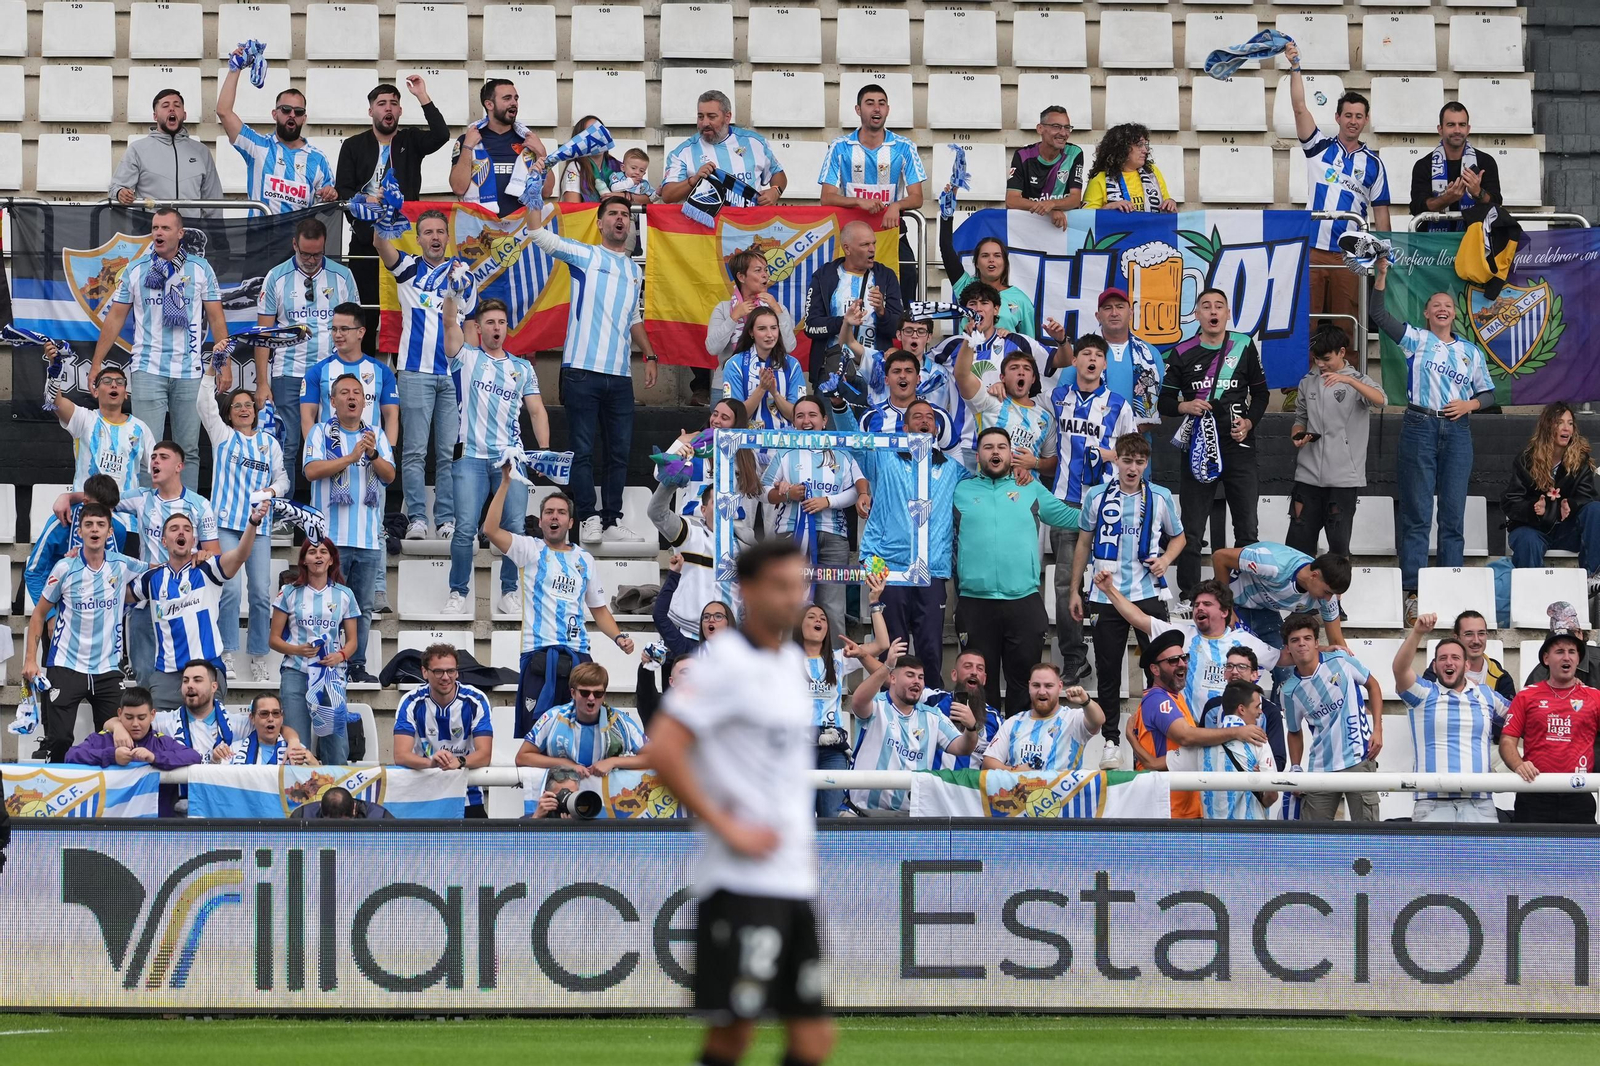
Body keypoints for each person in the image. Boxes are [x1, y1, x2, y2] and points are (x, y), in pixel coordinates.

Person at [646, 539, 835, 1063]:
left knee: (814, 1039)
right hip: (741, 881)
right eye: (780, 585)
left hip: (790, 878)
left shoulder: (791, 664)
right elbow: (664, 750)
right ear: (748, 591)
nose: (793, 596)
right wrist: (727, 828)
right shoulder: (724, 662)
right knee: (734, 1036)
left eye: (799, 584)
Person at [524, 193, 656, 544]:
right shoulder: (585, 254)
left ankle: (612, 519)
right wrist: (534, 197)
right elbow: (538, 234)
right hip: (581, 370)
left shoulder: (633, 270)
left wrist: (650, 354)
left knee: (619, 452)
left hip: (620, 376)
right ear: (599, 223)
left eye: (625, 215)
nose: (620, 219)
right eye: (612, 213)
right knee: (582, 450)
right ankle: (589, 517)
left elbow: (633, 317)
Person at [1370, 256, 1494, 622]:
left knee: (1453, 517)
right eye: (1436, 305)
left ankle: (1450, 591)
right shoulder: (1416, 339)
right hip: (1419, 427)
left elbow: (1487, 394)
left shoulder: (1470, 351)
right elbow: (1378, 314)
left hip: (1457, 432)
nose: (1442, 309)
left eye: (1448, 306)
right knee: (1417, 514)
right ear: (1426, 314)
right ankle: (1413, 592)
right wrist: (1381, 275)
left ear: (1455, 314)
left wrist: (1469, 404)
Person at [484, 471, 635, 737]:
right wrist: (506, 483)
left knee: (581, 732)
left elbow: (599, 609)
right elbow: (491, 530)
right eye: (549, 512)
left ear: (571, 522)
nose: (555, 516)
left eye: (561, 512)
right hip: (539, 655)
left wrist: (619, 637)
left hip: (578, 656)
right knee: (538, 733)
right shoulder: (529, 549)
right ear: (541, 520)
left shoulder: (584, 559)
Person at [88, 208, 227, 492]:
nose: (159, 233)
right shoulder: (136, 269)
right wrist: (96, 363)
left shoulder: (200, 268)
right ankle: (147, 515)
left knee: (188, 449)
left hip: (189, 371)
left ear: (180, 234)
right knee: (145, 449)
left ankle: (184, 516)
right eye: (155, 228)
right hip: (148, 369)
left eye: (165, 228)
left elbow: (216, 318)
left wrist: (225, 365)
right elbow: (115, 318)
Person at [1069, 434, 1184, 765]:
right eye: (1127, 460)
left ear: (1146, 464)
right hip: (1106, 596)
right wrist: (1076, 589)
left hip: (1148, 595)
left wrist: (1165, 560)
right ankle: (1111, 741)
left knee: (1160, 671)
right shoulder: (1097, 496)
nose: (1133, 468)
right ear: (1116, 460)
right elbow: (1083, 543)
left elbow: (1179, 538)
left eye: (1139, 462)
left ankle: (1157, 735)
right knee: (1108, 672)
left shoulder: (1160, 496)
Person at [953, 427, 1078, 714]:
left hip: (1023, 601)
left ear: (1011, 455)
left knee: (1024, 683)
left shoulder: (1030, 488)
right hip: (975, 603)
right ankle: (982, 746)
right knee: (977, 684)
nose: (995, 452)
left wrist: (1105, 510)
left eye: (1001, 447)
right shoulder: (960, 490)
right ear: (978, 454)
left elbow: (1069, 516)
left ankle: (1019, 746)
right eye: (988, 447)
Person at [441, 294, 549, 617]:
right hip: (470, 455)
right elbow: (449, 322)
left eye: (501, 322)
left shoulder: (522, 367)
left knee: (515, 527)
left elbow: (537, 411)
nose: (497, 328)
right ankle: (458, 592)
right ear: (478, 327)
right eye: (490, 322)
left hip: (510, 459)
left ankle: (509, 592)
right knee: (465, 528)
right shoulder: (467, 357)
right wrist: (452, 295)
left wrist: (542, 452)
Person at [851, 399, 971, 687]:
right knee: (893, 645)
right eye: (917, 417)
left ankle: (931, 704)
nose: (924, 421)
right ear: (905, 428)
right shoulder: (884, 459)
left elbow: (986, 484)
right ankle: (890, 703)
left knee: (930, 647)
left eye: (929, 417)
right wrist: (841, 406)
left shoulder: (952, 470)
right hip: (887, 567)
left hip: (931, 569)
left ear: (936, 429)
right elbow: (854, 444)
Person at [1159, 288, 1268, 602]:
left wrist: (1249, 423)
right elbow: (1165, 401)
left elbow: (1261, 395)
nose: (1212, 311)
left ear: (1228, 313)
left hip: (1239, 446)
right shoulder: (1182, 352)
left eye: (1219, 306)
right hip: (1199, 446)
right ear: (1197, 315)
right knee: (1192, 528)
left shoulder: (1244, 345)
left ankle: (1248, 594)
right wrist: (1185, 406)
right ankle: (1189, 596)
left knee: (1247, 527)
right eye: (1205, 306)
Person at [375, 208, 474, 541]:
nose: (434, 237)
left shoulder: (463, 273)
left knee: (450, 452)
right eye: (428, 232)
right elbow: (380, 244)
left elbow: (470, 322)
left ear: (448, 237)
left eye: (439, 232)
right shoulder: (408, 267)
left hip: (453, 374)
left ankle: (445, 518)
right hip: (415, 371)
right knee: (415, 451)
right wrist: (382, 216)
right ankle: (417, 516)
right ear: (418, 239)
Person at [89, 440, 219, 688]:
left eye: (163, 457)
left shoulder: (200, 504)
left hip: (185, 599)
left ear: (179, 465)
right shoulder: (141, 497)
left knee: (187, 676)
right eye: (153, 457)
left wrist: (200, 555)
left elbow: (213, 551)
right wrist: (67, 496)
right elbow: (101, 500)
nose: (155, 461)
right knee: (145, 678)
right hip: (146, 599)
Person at [22, 502, 145, 763]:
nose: (95, 530)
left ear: (109, 532)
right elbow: (39, 614)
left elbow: (159, 569)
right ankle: (55, 795)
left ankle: (107, 798)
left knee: (116, 739)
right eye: (89, 524)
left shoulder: (122, 565)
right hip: (67, 664)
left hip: (107, 667)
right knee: (60, 739)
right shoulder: (64, 569)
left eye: (101, 525)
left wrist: (191, 556)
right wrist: (31, 659)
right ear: (80, 531)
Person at [1045, 335, 1138, 681]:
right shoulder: (1057, 397)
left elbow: (1136, 450)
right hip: (1067, 502)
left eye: (1099, 355)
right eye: (1086, 354)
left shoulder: (1119, 404)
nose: (1092, 360)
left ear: (1104, 364)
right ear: (1076, 361)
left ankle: (1110, 654)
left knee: (1110, 579)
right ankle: (1074, 657)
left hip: (1108, 502)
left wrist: (1113, 455)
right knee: (1065, 581)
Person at [1284, 40, 1391, 338]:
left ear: (1366, 120)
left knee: (1347, 324)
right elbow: (1299, 107)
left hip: (1352, 254)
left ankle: (1348, 384)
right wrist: (1295, 68)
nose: (1353, 121)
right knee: (1308, 321)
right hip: (1314, 248)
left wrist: (1384, 253)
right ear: (1337, 118)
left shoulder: (1375, 164)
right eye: (1348, 115)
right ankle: (1302, 383)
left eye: (1359, 116)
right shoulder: (1318, 147)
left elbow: (1382, 216)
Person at [336, 77, 451, 338]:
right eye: (382, 104)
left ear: (400, 111)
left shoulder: (410, 140)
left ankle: (403, 371)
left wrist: (422, 95)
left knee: (405, 310)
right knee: (364, 312)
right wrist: (363, 203)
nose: (388, 108)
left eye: (394, 104)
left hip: (404, 242)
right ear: (371, 111)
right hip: (365, 242)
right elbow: (343, 190)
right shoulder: (353, 145)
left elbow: (441, 135)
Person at [198, 361, 287, 682]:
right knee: (231, 590)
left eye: (249, 405)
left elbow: (284, 479)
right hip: (225, 525)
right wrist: (211, 371)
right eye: (237, 406)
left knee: (262, 593)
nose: (244, 409)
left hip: (259, 529)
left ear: (256, 409)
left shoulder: (269, 443)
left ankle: (259, 656)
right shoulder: (221, 435)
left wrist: (271, 490)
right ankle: (227, 653)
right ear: (229, 413)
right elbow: (203, 403)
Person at [303, 374, 396, 684]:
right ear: (333, 401)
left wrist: (371, 455)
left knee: (362, 608)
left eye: (357, 392)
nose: (351, 397)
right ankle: (322, 659)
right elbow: (312, 471)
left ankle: (356, 664)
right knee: (325, 604)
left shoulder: (376, 436)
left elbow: (389, 476)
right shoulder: (319, 432)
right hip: (328, 541)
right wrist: (350, 457)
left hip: (368, 539)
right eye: (344, 392)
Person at [131, 502, 267, 709]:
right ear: (164, 541)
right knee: (161, 739)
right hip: (166, 675)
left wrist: (252, 522)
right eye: (174, 529)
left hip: (207, 668)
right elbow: (116, 594)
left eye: (187, 529)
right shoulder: (151, 578)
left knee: (206, 738)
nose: (181, 532)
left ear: (193, 540)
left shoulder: (208, 569)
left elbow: (240, 555)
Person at [1096, 575, 1278, 728]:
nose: (1199, 608)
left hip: (1235, 732)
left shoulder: (1245, 640)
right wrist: (1109, 589)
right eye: (1196, 604)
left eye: (1207, 604)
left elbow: (1285, 659)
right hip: (1191, 732)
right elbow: (1139, 619)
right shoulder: (1181, 635)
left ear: (1224, 611)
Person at [257, 217, 359, 478]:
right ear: (294, 244)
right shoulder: (276, 277)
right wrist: (261, 383)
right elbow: (263, 335)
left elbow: (355, 328)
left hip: (331, 373)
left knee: (332, 444)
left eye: (317, 254)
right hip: (288, 372)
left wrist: (352, 370)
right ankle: (282, 514)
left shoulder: (342, 275)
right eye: (305, 254)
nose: (312, 259)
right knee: (287, 445)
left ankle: (329, 510)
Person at [1130, 629, 1268, 818]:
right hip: (1166, 809)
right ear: (1154, 669)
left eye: (1183, 658)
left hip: (1186, 808)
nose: (1181, 664)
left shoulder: (1176, 698)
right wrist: (1237, 732)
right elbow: (1186, 737)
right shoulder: (1157, 699)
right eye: (1172, 661)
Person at [764, 396, 865, 638]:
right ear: (793, 421)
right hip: (790, 538)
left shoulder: (841, 452)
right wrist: (787, 493)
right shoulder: (785, 452)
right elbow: (763, 491)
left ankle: (835, 671)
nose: (806, 420)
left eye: (812, 415)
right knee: (789, 605)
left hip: (834, 538)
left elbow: (857, 487)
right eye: (800, 416)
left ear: (824, 420)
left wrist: (827, 502)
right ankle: (786, 670)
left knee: (832, 610)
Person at [1394, 613, 1509, 823]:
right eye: (1443, 658)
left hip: (1479, 804)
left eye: (1455, 657)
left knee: (1481, 858)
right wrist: (1418, 632)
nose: (1449, 662)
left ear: (1466, 666)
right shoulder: (1423, 693)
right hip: (1432, 803)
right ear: (1435, 666)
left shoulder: (1487, 695)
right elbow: (1399, 669)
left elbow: (1521, 719)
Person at [1288, 324, 1385, 559]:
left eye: (1326, 359)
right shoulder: (1307, 381)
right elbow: (1300, 418)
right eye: (1316, 358)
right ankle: (1297, 594)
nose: (1321, 364)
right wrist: (1298, 436)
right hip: (1308, 474)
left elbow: (1381, 400)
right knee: (1297, 545)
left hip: (1343, 478)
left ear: (1342, 352)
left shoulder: (1358, 380)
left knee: (1338, 548)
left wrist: (1348, 381)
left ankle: (1335, 595)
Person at [821, 81, 925, 295]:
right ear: (858, 110)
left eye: (882, 103)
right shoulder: (839, 147)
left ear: (887, 110)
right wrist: (858, 201)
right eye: (870, 103)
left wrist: (896, 205)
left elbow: (917, 197)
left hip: (891, 235)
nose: (876, 108)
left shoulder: (904, 147)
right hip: (851, 238)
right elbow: (827, 197)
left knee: (906, 281)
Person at [1277, 612, 1383, 822]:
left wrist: (1377, 729)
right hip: (1321, 767)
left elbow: (1373, 685)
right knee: (1313, 837)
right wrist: (1296, 766)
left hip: (1359, 757)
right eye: (1295, 640)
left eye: (1307, 638)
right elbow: (1294, 731)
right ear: (1288, 648)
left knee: (1369, 833)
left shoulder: (1341, 660)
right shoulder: (1289, 691)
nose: (1302, 644)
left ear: (1317, 642)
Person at [849, 646, 979, 813]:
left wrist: (971, 728)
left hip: (911, 817)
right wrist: (887, 666)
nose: (917, 681)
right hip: (862, 814)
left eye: (921, 677)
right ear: (893, 678)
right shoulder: (876, 705)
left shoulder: (933, 716)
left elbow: (963, 747)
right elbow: (858, 701)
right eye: (910, 675)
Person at [796, 590, 889, 818]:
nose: (819, 620)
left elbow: (882, 643)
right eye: (811, 617)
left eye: (823, 618)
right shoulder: (784, 659)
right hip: (797, 747)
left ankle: (832, 855)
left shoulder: (839, 658)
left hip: (833, 748)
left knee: (832, 817)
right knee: (800, 818)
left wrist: (874, 602)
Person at [269, 539, 361, 764]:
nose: (318, 556)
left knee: (336, 744)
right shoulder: (288, 592)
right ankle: (300, 796)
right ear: (303, 560)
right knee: (297, 744)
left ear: (331, 560)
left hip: (332, 676)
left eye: (323, 552)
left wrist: (340, 656)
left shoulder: (345, 594)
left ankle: (337, 796)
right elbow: (273, 639)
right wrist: (296, 649)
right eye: (312, 552)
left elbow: (353, 642)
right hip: (296, 672)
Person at [1500, 627, 1600, 823]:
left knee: (1578, 854)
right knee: (1531, 854)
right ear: (1546, 659)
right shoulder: (1526, 696)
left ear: (1578, 659)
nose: (1567, 657)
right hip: (1534, 792)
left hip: (1578, 794)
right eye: (1560, 652)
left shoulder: (1594, 697)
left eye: (1572, 652)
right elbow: (1507, 741)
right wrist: (1519, 765)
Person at [216, 58, 336, 214]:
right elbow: (224, 112)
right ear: (274, 114)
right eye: (286, 109)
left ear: (304, 118)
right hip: (260, 237)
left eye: (298, 112)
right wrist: (235, 68)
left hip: (297, 238)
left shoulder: (318, 159)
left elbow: (329, 208)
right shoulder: (258, 147)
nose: (292, 115)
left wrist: (331, 194)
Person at [1504, 402, 1600, 591]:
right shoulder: (1526, 460)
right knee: (1527, 541)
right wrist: (1533, 508)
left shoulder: (1579, 460)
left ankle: (1592, 576)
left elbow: (1587, 495)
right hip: (1533, 529)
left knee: (1596, 510)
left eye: (1570, 423)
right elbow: (1510, 501)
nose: (1566, 428)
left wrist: (1570, 504)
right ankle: (1533, 594)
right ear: (1548, 427)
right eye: (1560, 423)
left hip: (1566, 530)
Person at [394, 642, 496, 817]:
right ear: (425, 672)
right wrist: (432, 763)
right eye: (438, 671)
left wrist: (459, 761)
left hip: (467, 795)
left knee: (477, 844)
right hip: (425, 792)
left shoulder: (475, 700)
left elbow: (485, 754)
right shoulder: (411, 702)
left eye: (451, 671)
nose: (446, 677)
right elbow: (400, 755)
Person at [802, 219, 904, 388]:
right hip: (833, 372)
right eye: (865, 244)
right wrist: (844, 322)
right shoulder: (824, 276)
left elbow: (898, 329)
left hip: (875, 372)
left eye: (873, 243)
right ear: (847, 248)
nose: (872, 249)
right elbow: (811, 326)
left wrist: (881, 312)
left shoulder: (886, 276)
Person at [24, 476, 130, 627]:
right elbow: (33, 573)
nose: (104, 517)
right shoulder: (59, 524)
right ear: (85, 503)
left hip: (98, 610)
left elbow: (114, 570)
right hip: (57, 605)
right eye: (98, 510)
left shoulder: (117, 528)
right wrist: (50, 616)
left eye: (109, 511)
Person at [1211, 542, 1350, 653]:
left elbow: (1338, 643)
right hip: (1232, 602)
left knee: (1287, 668)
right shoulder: (1272, 564)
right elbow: (1219, 557)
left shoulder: (1327, 597)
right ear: (1314, 576)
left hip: (1263, 609)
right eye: (1327, 592)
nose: (1327, 599)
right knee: (1228, 661)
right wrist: (1226, 606)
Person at [954, 331, 1054, 482]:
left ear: (1033, 378)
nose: (1021, 372)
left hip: (1027, 495)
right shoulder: (989, 401)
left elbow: (1054, 466)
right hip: (989, 490)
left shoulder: (1046, 417)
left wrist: (1036, 463)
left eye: (1026, 369)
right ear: (1002, 377)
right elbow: (962, 375)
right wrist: (970, 338)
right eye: (1014, 368)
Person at [44, 356, 152, 495]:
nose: (114, 385)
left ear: (126, 393)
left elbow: (159, 467)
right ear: (95, 391)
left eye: (120, 382)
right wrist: (54, 365)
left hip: (125, 511)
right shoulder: (84, 419)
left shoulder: (140, 428)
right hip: (87, 508)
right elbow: (54, 401)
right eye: (107, 381)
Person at [703, 248, 798, 406]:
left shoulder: (776, 308)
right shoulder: (724, 309)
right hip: (727, 384)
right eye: (758, 270)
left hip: (769, 384)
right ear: (741, 276)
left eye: (766, 270)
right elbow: (712, 348)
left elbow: (789, 346)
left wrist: (778, 312)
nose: (765, 275)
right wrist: (734, 317)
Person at [516, 662, 647, 773]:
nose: (591, 698)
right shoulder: (553, 716)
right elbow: (522, 757)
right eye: (585, 692)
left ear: (604, 694)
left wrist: (613, 762)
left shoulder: (619, 721)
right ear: (573, 693)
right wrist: (565, 764)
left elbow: (655, 758)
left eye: (598, 693)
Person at [300, 303, 400, 448]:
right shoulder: (317, 371)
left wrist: (389, 452)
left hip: (372, 457)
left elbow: (391, 416)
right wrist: (315, 452)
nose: (337, 334)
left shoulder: (382, 371)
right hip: (331, 457)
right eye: (334, 329)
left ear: (361, 332)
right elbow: (307, 417)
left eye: (344, 329)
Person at [661, 89, 786, 204]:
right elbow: (667, 195)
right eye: (700, 117)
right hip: (705, 226)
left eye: (711, 117)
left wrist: (775, 191)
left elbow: (777, 173)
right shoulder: (682, 152)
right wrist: (693, 180)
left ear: (727, 117)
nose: (704, 123)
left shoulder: (755, 142)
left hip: (749, 224)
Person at [450, 78, 548, 218]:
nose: (514, 102)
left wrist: (542, 153)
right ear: (489, 104)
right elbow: (458, 188)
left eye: (515, 98)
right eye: (507, 98)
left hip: (521, 229)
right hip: (479, 226)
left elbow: (547, 192)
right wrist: (467, 147)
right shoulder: (468, 140)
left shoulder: (528, 141)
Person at [111, 88, 223, 206]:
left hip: (190, 224)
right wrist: (120, 193)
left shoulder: (202, 151)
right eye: (165, 106)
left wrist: (213, 224)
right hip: (151, 224)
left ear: (184, 115)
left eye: (177, 105)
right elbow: (116, 188)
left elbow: (213, 199)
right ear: (155, 116)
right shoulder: (137, 149)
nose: (171, 108)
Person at [982, 665, 1104, 773]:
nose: (1041, 691)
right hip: (1021, 796)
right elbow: (988, 762)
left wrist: (1086, 701)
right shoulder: (1013, 722)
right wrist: (1014, 771)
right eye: (1036, 685)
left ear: (1059, 686)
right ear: (1029, 686)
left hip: (1063, 797)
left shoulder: (1072, 718)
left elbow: (1098, 720)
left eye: (1048, 686)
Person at [1409, 102, 1502, 233]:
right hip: (1433, 246)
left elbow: (1496, 204)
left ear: (1468, 129)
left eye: (1462, 125)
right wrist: (1447, 198)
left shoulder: (1485, 162)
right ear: (1440, 129)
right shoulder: (1423, 165)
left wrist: (1478, 193)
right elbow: (1417, 208)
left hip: (1476, 241)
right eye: (1451, 125)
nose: (1457, 130)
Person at [1194, 682, 1280, 820]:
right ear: (1242, 709)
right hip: (1250, 834)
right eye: (1257, 706)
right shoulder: (1259, 742)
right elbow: (1272, 794)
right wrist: (1261, 794)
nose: (1260, 711)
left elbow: (1160, 764)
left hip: (1213, 835)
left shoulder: (1200, 743)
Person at [65, 688, 203, 771]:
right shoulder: (102, 739)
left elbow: (194, 756)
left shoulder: (161, 742)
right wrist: (111, 756)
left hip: (155, 818)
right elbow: (70, 756)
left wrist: (154, 757)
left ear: (152, 715)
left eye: (141, 718)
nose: (135, 724)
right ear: (119, 714)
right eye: (129, 717)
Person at [1200, 646, 1289, 772]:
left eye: (1242, 667)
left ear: (1254, 674)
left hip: (1252, 786)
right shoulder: (1211, 706)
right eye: (1229, 666)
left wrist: (1262, 771)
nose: (1234, 671)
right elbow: (1198, 745)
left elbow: (1278, 761)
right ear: (1225, 673)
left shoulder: (1270, 712)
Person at [937, 225, 1036, 334]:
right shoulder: (966, 286)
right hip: (967, 350)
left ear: (1005, 263)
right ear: (976, 264)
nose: (991, 260)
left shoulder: (1021, 299)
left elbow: (1029, 344)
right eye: (985, 256)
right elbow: (946, 248)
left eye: (997, 255)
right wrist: (946, 217)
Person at [723, 305, 805, 432]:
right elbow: (734, 416)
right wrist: (761, 389)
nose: (770, 334)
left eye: (773, 328)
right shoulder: (735, 364)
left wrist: (775, 394)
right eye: (762, 329)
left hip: (784, 444)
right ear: (751, 332)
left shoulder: (792, 365)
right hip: (747, 443)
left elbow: (799, 417)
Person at [153, 662, 252, 763]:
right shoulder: (163, 722)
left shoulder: (239, 724)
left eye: (197, 680)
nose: (190, 685)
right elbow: (138, 723)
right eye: (185, 681)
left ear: (214, 687)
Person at [1004, 105, 1085, 228]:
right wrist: (1049, 209)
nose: (1063, 133)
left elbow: (1075, 200)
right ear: (1040, 128)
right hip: (1029, 224)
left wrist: (1052, 204)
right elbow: (1011, 200)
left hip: (1061, 226)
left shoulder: (1074, 153)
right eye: (1056, 127)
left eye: (1067, 127)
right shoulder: (1023, 155)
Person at [922, 649, 1004, 771]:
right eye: (968, 666)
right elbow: (901, 686)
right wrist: (889, 665)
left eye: (980, 669)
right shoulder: (933, 700)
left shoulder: (994, 718)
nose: (974, 672)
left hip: (972, 788)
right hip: (936, 785)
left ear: (984, 679)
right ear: (954, 674)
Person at [1421, 609, 1516, 701]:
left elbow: (1510, 714)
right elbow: (1425, 703)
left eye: (1481, 633)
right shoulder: (1438, 669)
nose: (1476, 640)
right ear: (1456, 638)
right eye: (1469, 634)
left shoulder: (1502, 677)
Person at [1082, 124, 1177, 212]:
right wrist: (1109, 207)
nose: (1145, 151)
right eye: (1139, 145)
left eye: (1145, 145)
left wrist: (1170, 203)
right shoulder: (1099, 179)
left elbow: (1166, 203)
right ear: (1122, 148)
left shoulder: (1153, 172)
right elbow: (1085, 219)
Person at [1522, 603, 1600, 689]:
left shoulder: (1597, 661)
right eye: (1561, 635)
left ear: (1580, 634)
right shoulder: (1540, 673)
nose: (1568, 638)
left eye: (1572, 632)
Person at [230, 693, 318, 765]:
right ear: (252, 718)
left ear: (282, 717)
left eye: (276, 713)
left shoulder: (297, 749)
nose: (271, 719)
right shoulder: (234, 750)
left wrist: (314, 764)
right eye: (264, 714)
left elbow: (319, 781)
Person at [559, 116, 627, 203]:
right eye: (590, 133)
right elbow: (572, 208)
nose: (597, 137)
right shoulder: (575, 167)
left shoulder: (618, 166)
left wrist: (624, 196)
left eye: (600, 132)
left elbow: (646, 195)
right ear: (579, 143)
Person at [295, 785, 393, 819]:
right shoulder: (302, 816)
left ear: (354, 809)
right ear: (320, 808)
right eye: (329, 825)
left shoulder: (379, 817)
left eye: (342, 823)